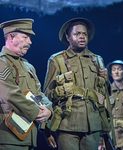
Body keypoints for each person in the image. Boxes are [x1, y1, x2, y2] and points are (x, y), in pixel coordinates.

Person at [43, 17, 113, 150]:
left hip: (93, 124)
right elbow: (47, 94)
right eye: (77, 34)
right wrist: (46, 130)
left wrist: (106, 80)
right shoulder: (57, 60)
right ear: (68, 37)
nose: (82, 37)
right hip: (67, 123)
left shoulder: (97, 59)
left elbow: (105, 95)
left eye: (84, 34)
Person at [0, 18, 52, 150]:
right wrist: (37, 112)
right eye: (25, 37)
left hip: (29, 135)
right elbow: (10, 95)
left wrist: (48, 110)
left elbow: (38, 94)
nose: (30, 42)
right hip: (8, 136)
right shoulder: (1, 63)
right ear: (11, 37)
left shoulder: (28, 66)